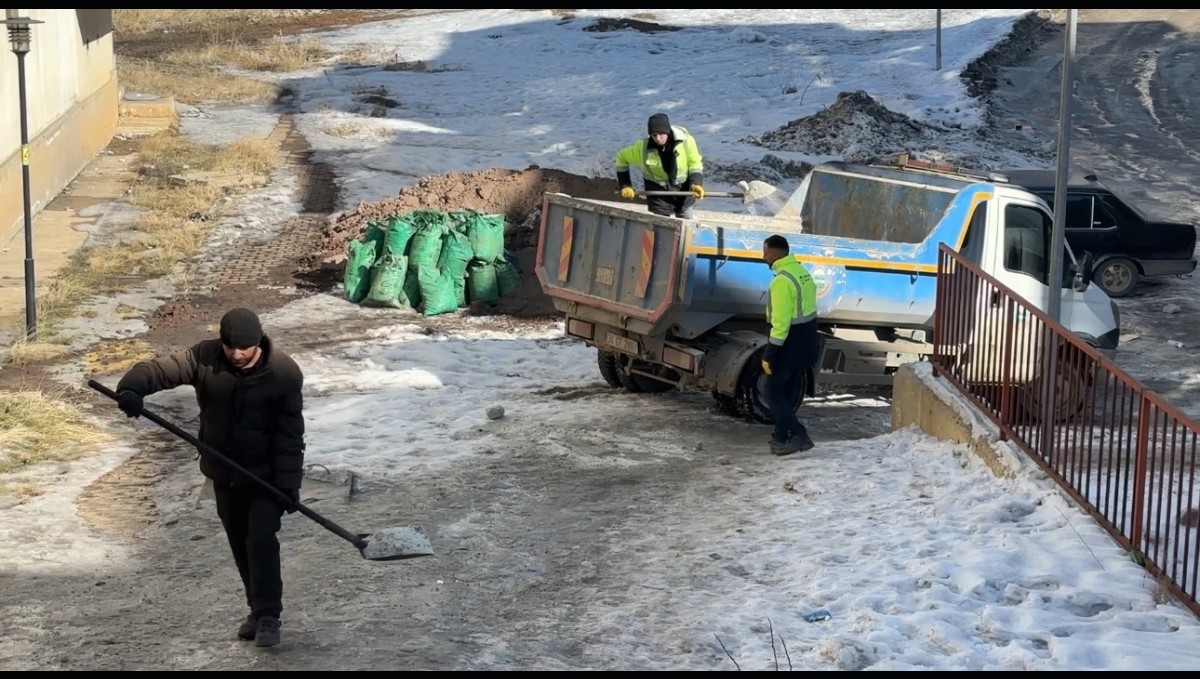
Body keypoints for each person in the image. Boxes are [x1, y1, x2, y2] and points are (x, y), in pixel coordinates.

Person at [114, 307, 306, 648]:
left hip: (265, 477)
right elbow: (158, 370)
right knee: (240, 542)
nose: (236, 354)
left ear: (259, 342)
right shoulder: (205, 357)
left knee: (261, 539)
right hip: (224, 473)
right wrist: (132, 388)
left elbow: (290, 436)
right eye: (230, 346)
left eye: (243, 348)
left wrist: (288, 484)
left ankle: (268, 616)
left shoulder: (284, 374)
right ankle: (255, 609)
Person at [760, 235, 819, 456]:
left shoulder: (782, 281)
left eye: (765, 252)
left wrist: (770, 352)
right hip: (805, 341)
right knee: (786, 391)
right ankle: (782, 437)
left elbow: (781, 323)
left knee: (772, 391)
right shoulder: (801, 272)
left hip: (788, 344)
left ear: (775, 253)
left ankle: (798, 434)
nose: (763, 257)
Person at [615, 112, 705, 218]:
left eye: (661, 134)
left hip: (683, 192)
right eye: (654, 135)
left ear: (667, 131)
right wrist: (625, 185)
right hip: (658, 193)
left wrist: (696, 183)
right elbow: (621, 157)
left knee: (687, 225)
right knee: (661, 229)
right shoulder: (642, 148)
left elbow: (695, 163)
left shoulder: (686, 141)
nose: (658, 138)